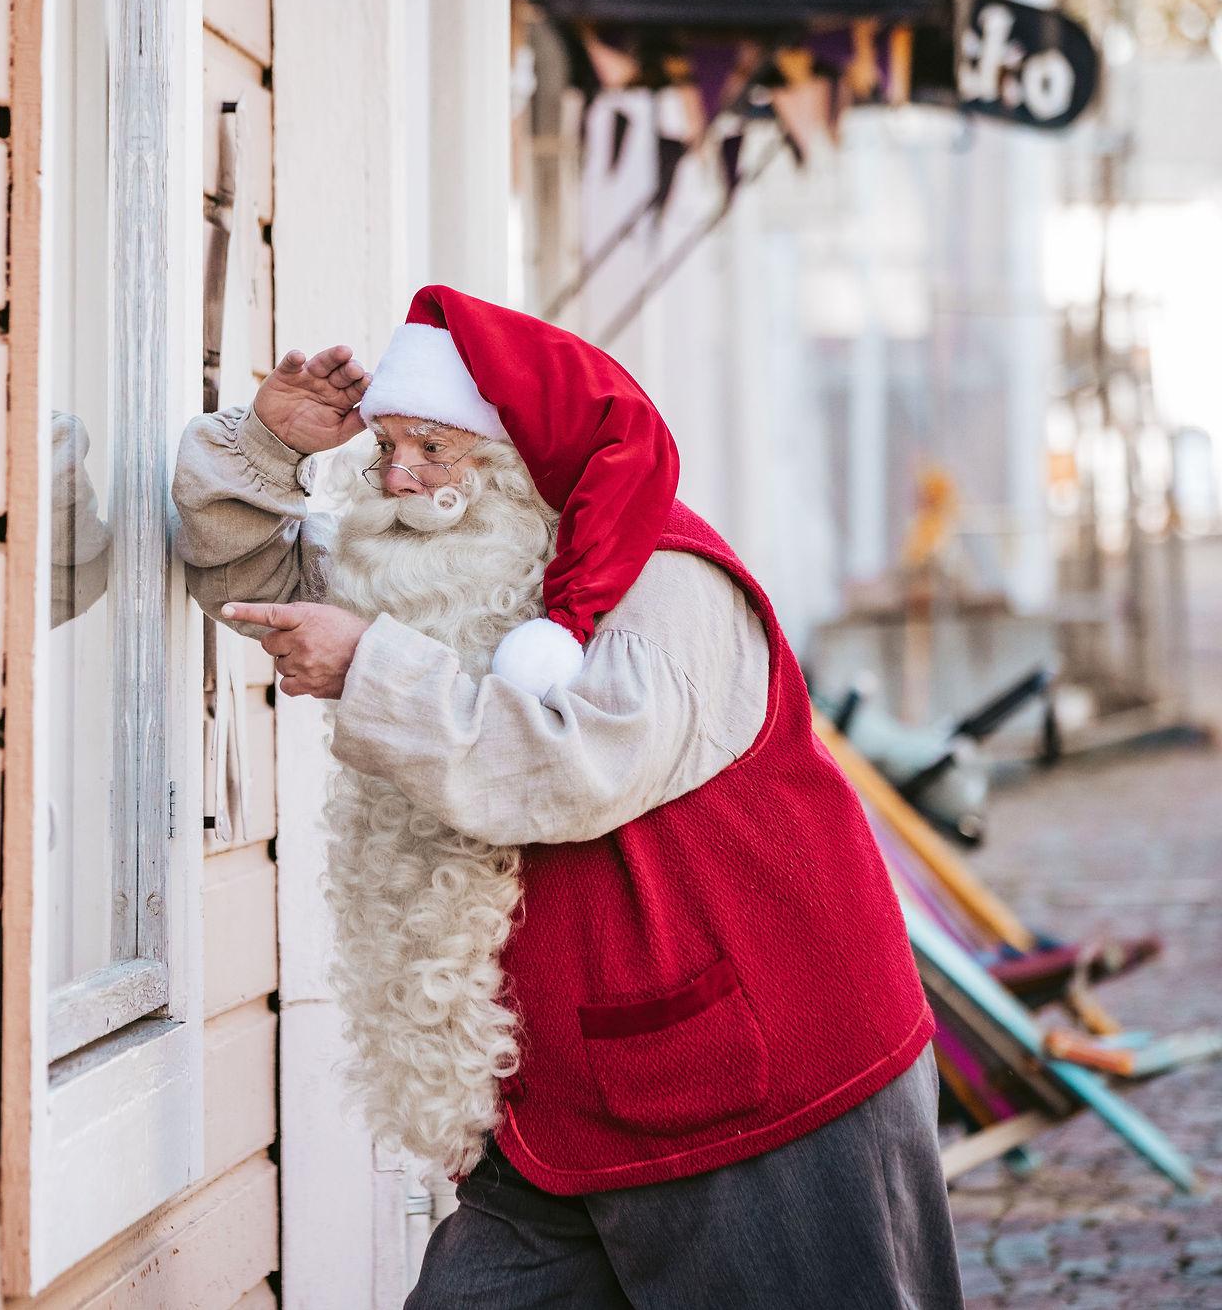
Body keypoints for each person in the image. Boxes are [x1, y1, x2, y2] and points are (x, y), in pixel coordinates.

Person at [171, 286, 963, 1308]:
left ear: (515, 464)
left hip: (757, 1091)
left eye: (434, 449)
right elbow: (259, 574)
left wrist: (369, 665)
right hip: (559, 1113)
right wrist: (271, 450)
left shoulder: (666, 582)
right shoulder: (451, 561)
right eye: (384, 450)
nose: (400, 479)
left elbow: (566, 770)